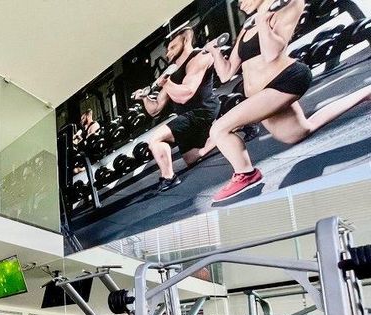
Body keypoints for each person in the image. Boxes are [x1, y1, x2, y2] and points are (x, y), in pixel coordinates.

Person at [206, 0, 371, 202]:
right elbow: (227, 73)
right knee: (299, 132)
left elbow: (271, 54)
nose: (240, 4)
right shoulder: (247, 26)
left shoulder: (288, 6)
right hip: (262, 93)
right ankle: (366, 93)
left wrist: (263, 21)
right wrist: (214, 51)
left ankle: (246, 173)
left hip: (286, 80)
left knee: (218, 129)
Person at [134, 26, 220, 192]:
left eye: (172, 47)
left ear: (186, 40)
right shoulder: (172, 71)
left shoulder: (199, 57)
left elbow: (186, 94)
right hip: (187, 116)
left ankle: (169, 178)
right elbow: (155, 110)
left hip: (203, 111)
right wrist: (145, 97)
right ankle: (226, 130)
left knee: (155, 139)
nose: (168, 53)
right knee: (190, 158)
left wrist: (166, 83)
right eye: (167, 50)